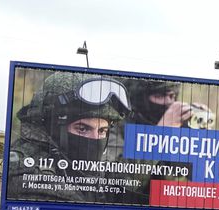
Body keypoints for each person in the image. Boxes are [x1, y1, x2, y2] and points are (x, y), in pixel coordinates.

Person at [7, 71, 131, 202]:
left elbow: (133, 189)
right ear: (53, 127)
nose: (95, 139)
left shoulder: (94, 167)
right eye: (82, 129)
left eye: (102, 131)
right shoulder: (26, 173)